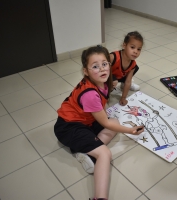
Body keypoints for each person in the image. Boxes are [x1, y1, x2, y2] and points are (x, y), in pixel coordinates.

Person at [54, 46, 144, 200]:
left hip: (85, 122)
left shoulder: (103, 82)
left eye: (104, 64)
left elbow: (104, 114)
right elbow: (105, 122)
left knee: (114, 120)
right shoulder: (90, 94)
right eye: (95, 66)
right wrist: (130, 131)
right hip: (68, 127)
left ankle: (82, 151)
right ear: (86, 71)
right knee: (104, 154)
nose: (102, 68)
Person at [110, 31, 143, 106]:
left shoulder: (133, 63)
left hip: (120, 75)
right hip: (107, 75)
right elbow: (101, 70)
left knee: (135, 68)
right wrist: (111, 79)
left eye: (139, 49)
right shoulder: (113, 57)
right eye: (132, 47)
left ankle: (122, 84)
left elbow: (128, 81)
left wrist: (123, 97)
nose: (135, 52)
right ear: (124, 45)